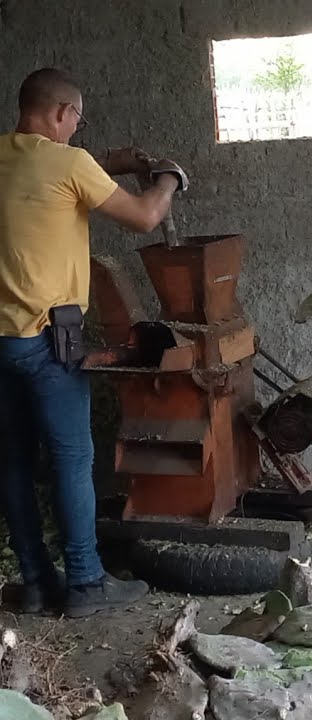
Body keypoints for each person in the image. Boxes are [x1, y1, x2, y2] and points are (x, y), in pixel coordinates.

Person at [0, 67, 189, 617]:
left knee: (12, 462)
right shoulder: (70, 162)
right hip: (47, 342)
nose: (76, 133)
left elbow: (50, 173)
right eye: (76, 121)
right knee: (71, 459)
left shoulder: (19, 158)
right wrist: (168, 177)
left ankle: (36, 582)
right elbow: (147, 216)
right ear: (63, 113)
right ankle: (86, 581)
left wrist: (115, 161)